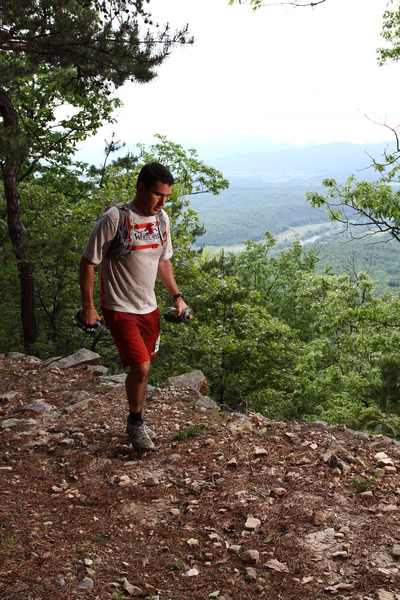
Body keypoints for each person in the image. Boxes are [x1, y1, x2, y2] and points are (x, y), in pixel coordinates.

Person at [79, 162, 187, 452]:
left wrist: (177, 297)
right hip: (119, 307)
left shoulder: (161, 220)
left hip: (149, 308)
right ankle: (136, 423)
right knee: (141, 366)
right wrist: (88, 307)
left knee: (144, 369)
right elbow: (88, 261)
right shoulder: (114, 218)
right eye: (157, 194)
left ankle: (135, 419)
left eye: (167, 196)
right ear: (141, 188)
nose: (162, 202)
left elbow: (163, 261)